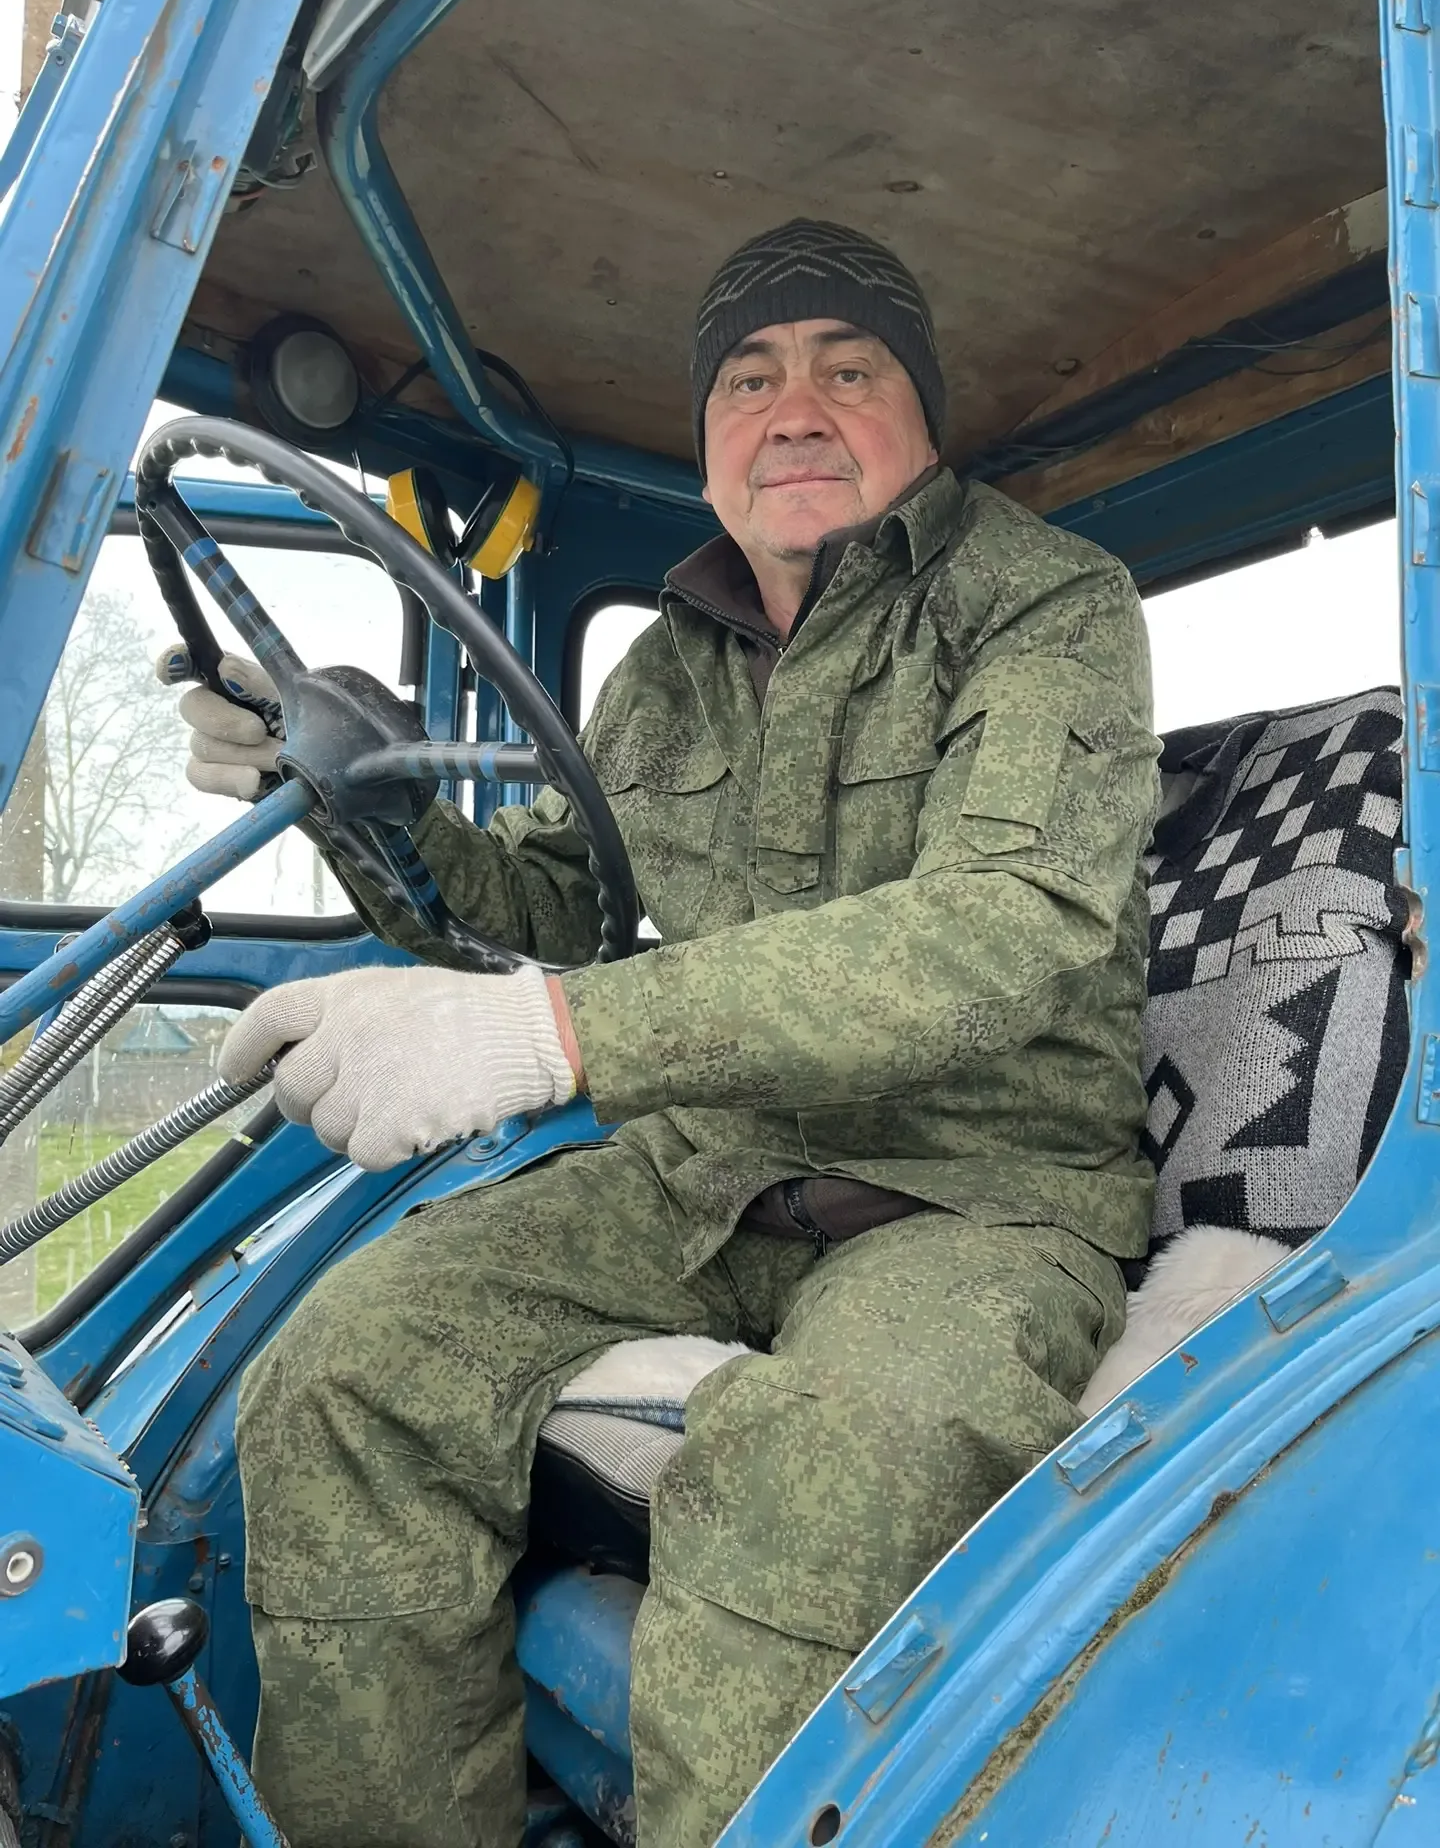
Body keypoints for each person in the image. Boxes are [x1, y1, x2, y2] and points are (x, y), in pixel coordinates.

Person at [173, 217, 1160, 1848]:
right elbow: (547, 906)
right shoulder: (662, 668)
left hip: (975, 1195)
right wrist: (354, 793)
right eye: (749, 380)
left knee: (819, 1489)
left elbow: (1004, 930)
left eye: (851, 372)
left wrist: (554, 1035)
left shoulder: (1044, 604)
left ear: (922, 420)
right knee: (344, 1373)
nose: (796, 411)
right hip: (705, 1175)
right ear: (708, 441)